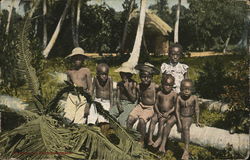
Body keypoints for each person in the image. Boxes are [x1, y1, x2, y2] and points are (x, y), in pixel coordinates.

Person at [127, 62, 159, 144]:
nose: (146, 79)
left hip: (150, 107)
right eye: (143, 77)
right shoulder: (139, 86)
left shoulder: (155, 87)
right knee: (130, 118)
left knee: (142, 120)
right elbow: (137, 98)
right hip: (141, 105)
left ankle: (141, 141)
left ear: (152, 77)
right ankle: (129, 138)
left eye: (148, 77)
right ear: (140, 77)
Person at [147, 74, 177, 153]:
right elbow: (156, 104)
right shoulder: (159, 93)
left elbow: (175, 106)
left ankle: (159, 138)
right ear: (162, 84)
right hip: (159, 112)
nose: (167, 87)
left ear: (172, 85)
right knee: (153, 119)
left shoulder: (173, 94)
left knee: (161, 120)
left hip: (168, 114)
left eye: (170, 85)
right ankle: (149, 139)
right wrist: (158, 112)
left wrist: (168, 112)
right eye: (166, 85)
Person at [63, 47, 92, 124]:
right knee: (67, 119)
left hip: (83, 97)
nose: (78, 60)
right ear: (72, 59)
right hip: (72, 97)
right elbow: (68, 86)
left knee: (79, 122)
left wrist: (88, 104)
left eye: (80, 58)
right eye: (75, 58)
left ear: (83, 59)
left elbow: (90, 88)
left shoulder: (86, 71)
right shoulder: (69, 72)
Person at [176, 79, 201, 160]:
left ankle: (186, 149)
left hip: (188, 117)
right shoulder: (179, 98)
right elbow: (177, 110)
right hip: (180, 116)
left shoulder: (194, 98)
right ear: (181, 89)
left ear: (192, 89)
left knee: (185, 128)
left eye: (189, 89)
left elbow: (197, 109)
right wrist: (179, 122)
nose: (186, 91)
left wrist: (197, 121)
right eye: (184, 89)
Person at [110, 62, 138, 127]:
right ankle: (113, 130)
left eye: (125, 74)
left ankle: (123, 134)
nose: (123, 75)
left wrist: (127, 88)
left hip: (130, 103)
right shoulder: (119, 84)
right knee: (110, 114)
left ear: (130, 75)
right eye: (121, 73)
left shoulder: (133, 84)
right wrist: (118, 103)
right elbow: (117, 96)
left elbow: (133, 99)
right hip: (122, 102)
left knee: (122, 119)